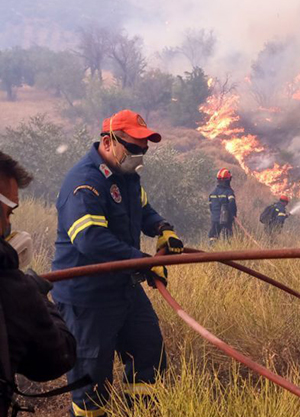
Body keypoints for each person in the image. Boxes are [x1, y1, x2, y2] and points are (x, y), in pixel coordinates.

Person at [50, 110, 184, 417]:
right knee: (91, 382)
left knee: (148, 352)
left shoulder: (128, 178)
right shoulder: (85, 182)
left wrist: (163, 228)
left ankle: (137, 411)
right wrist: (143, 262)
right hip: (87, 297)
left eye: (144, 149)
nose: (140, 155)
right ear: (109, 142)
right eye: (134, 148)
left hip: (124, 288)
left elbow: (144, 210)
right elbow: (90, 239)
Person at [0, 151, 77, 417]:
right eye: (8, 212)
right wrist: (38, 298)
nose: (10, 225)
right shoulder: (12, 291)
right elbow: (58, 357)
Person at [208, 168, 237, 240]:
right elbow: (232, 204)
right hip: (226, 220)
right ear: (228, 180)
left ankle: (211, 250)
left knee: (213, 237)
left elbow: (210, 207)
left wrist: (215, 215)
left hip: (215, 219)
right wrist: (233, 215)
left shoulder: (213, 193)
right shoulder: (229, 192)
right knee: (227, 238)